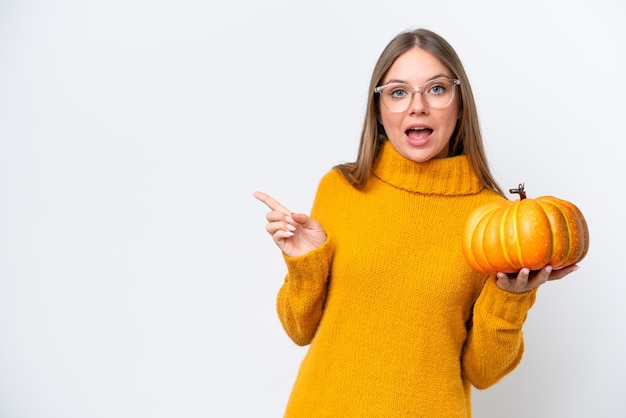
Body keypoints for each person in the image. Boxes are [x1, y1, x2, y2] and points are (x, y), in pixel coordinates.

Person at [253, 28, 578, 417]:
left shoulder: (494, 222)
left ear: (459, 103)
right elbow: (299, 330)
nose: (417, 106)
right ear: (379, 108)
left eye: (436, 89)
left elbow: (484, 372)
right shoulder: (341, 188)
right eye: (398, 91)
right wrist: (305, 264)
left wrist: (511, 298)